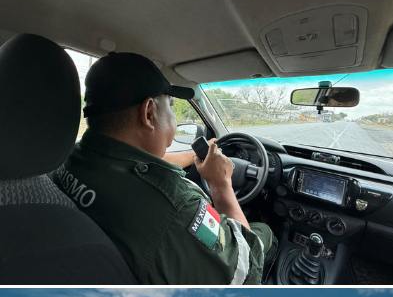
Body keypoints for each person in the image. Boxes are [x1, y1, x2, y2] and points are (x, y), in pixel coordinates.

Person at [55, 51, 275, 284]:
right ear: (149, 112)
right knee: (265, 233)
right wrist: (221, 186)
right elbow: (247, 268)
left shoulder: (72, 157)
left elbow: (142, 165)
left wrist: (195, 155)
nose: (173, 117)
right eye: (170, 106)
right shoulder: (178, 208)